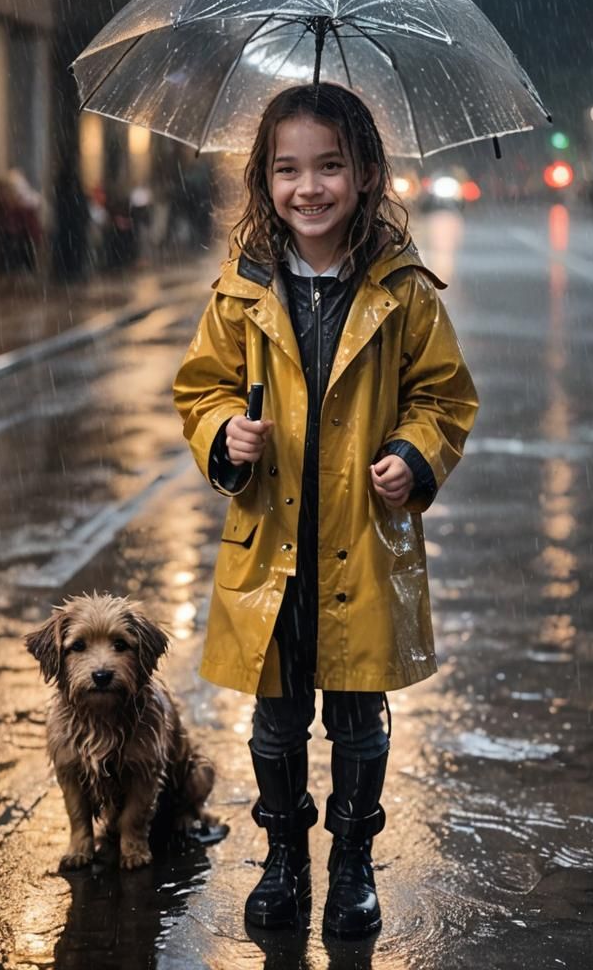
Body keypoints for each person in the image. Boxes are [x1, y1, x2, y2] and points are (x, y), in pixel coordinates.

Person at [173, 83, 478, 938]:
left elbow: (444, 396)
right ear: (264, 181)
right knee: (275, 723)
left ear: (367, 174)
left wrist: (413, 454)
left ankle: (351, 864)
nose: (309, 187)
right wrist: (224, 432)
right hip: (271, 544)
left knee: (357, 721)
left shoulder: (403, 291)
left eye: (330, 166)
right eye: (288, 169)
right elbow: (201, 388)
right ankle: (282, 860)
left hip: (362, 541)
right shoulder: (241, 291)